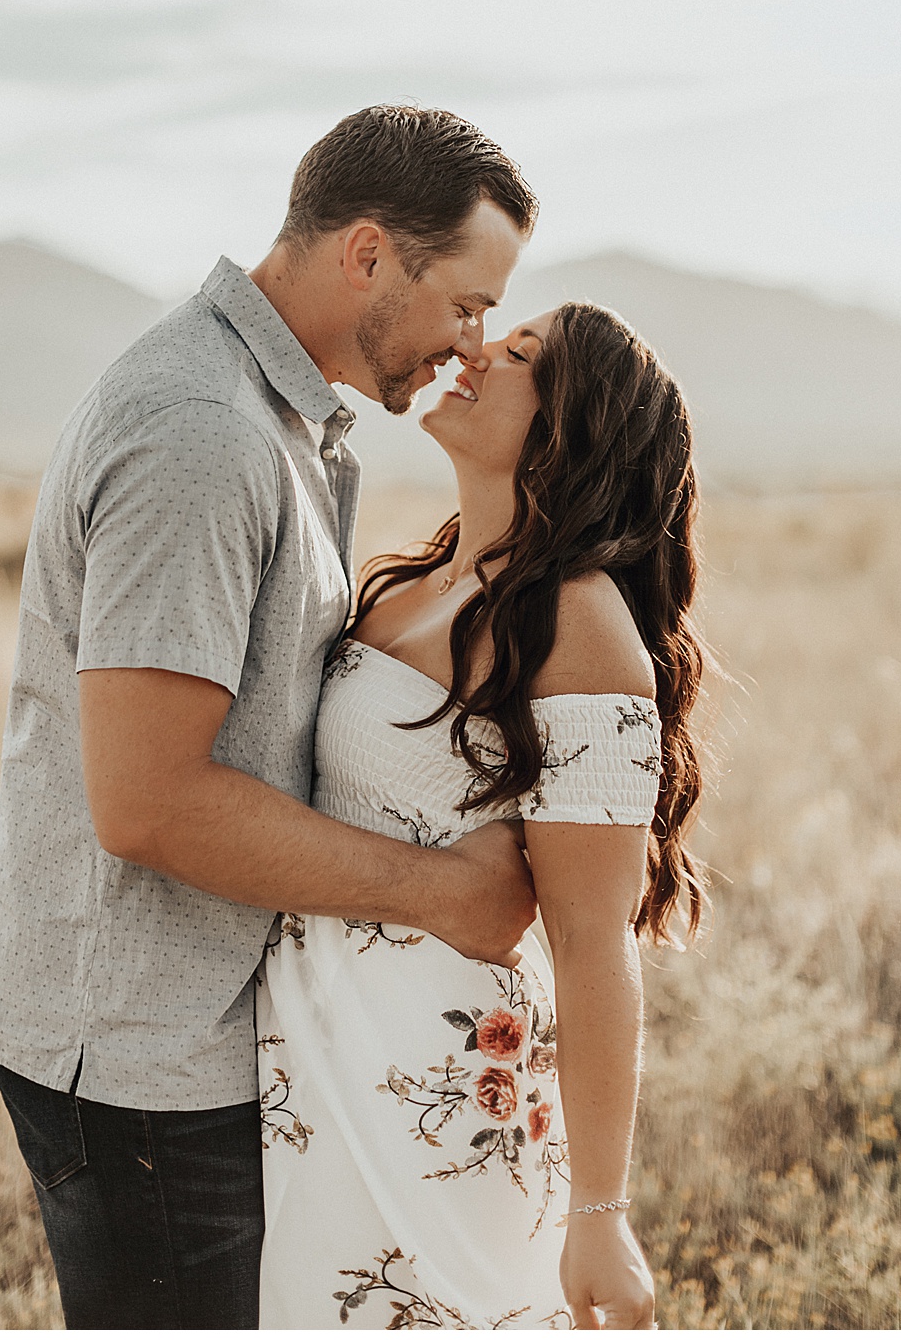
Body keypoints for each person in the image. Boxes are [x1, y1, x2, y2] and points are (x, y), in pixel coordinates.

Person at [0, 105, 542, 1329]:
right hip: (135, 1052)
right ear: (368, 254)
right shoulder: (205, 436)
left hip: (182, 1032)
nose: (470, 341)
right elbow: (150, 799)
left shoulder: (281, 415)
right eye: (468, 301)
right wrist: (445, 890)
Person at [257, 301, 708, 1330]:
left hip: (441, 1087)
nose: (474, 351)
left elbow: (595, 940)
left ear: (569, 427)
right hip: (316, 1066)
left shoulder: (577, 622)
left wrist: (602, 1210)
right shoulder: (414, 579)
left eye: (518, 356)